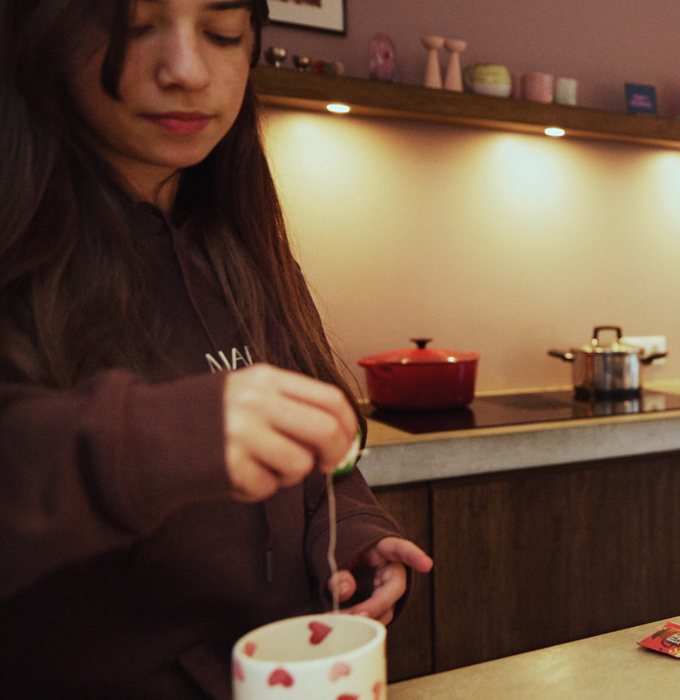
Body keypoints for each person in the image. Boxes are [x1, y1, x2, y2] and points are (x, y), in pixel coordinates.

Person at [0, 0, 433, 696]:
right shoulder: (22, 246)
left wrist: (354, 531)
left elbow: (315, 465)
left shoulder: (238, 247)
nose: (188, 71)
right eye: (136, 26)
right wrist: (162, 438)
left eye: (222, 33)